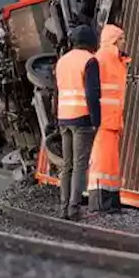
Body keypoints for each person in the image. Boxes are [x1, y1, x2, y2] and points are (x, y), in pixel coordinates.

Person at [55, 24, 101, 221]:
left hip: (63, 116)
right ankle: (74, 208)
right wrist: (96, 120)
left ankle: (63, 207)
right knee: (80, 164)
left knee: (67, 165)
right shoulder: (89, 61)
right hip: (81, 118)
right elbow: (92, 94)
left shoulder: (62, 61)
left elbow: (57, 90)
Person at [88, 24, 129, 213]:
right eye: (121, 39)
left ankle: (110, 201)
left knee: (110, 165)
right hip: (104, 121)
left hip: (111, 121)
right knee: (102, 163)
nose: (124, 42)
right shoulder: (103, 60)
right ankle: (100, 202)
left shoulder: (115, 61)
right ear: (113, 41)